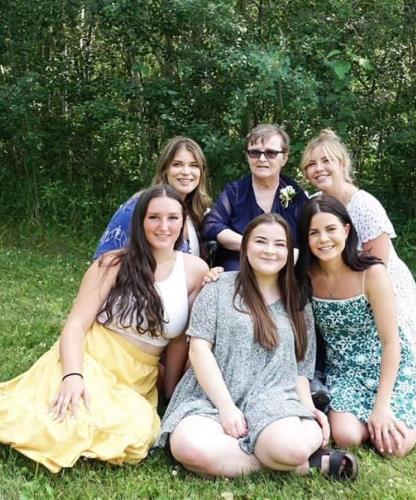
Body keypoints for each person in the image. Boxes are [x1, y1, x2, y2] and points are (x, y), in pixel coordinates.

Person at [0, 185, 208, 473]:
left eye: (172, 218)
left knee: (137, 430)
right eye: (154, 217)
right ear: (140, 222)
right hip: (91, 358)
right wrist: (73, 376)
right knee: (64, 416)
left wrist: (171, 393)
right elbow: (75, 325)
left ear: (183, 223)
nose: (164, 226)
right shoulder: (113, 263)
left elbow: (178, 341)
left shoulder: (196, 270)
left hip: (138, 378)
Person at [156, 214, 358, 480]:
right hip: (211, 398)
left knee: (292, 448)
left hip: (274, 399)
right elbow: (199, 350)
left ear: (290, 252)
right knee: (189, 447)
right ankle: (302, 465)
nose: (270, 250)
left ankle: (280, 456)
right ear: (245, 246)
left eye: (279, 244)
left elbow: (301, 368)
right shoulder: (217, 288)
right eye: (261, 241)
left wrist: (308, 408)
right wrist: (226, 408)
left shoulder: (297, 302)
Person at [296, 196, 416, 457]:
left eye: (331, 229)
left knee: (394, 447)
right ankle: (366, 424)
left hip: (388, 368)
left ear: (346, 230)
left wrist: (382, 407)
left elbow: (391, 342)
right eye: (314, 233)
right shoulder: (306, 278)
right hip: (345, 371)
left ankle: (389, 415)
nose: (324, 239)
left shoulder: (372, 273)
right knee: (347, 437)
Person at [301, 129, 416, 366]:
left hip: (375, 284)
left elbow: (377, 263)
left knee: (384, 347)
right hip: (336, 284)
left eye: (326, 161)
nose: (318, 168)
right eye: (311, 164)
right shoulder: (313, 203)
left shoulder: (364, 206)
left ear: (342, 164)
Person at [202, 124, 308, 271]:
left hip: (284, 273)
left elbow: (307, 239)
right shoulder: (235, 192)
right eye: (255, 153)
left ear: (284, 158)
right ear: (247, 156)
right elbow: (211, 225)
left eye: (271, 153)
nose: (262, 159)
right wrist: (251, 246)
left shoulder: (296, 195)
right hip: (238, 271)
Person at [94, 136, 211, 260]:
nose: (186, 172)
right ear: (165, 169)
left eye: (194, 165)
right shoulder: (138, 206)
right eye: (177, 164)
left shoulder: (201, 212)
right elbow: (103, 260)